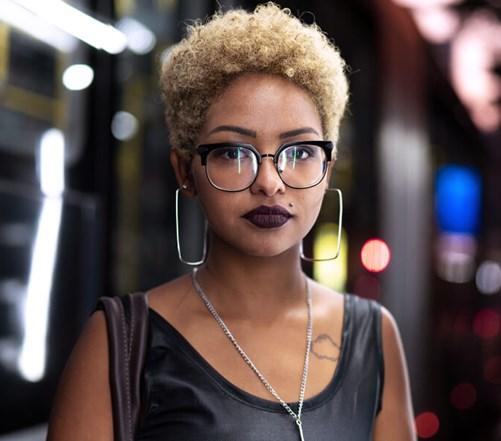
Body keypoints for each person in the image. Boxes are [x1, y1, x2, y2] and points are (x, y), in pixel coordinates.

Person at [47, 3, 416, 440]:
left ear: (327, 169)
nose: (268, 182)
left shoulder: (375, 338)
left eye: (298, 153)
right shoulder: (120, 343)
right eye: (232, 153)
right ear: (186, 172)